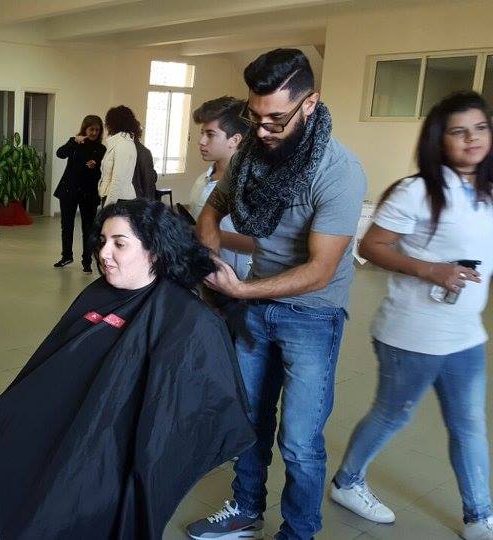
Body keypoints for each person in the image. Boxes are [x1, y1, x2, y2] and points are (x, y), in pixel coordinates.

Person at [0, 199, 254, 539]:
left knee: (63, 498)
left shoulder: (186, 318)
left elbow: (200, 410)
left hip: (110, 447)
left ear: (154, 251)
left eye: (119, 244)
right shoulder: (98, 294)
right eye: (102, 241)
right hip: (68, 421)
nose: (104, 253)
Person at [187, 49, 367, 540]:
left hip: (312, 316)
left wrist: (241, 287)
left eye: (276, 120)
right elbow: (212, 208)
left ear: (310, 104)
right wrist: (212, 261)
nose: (263, 130)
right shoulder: (251, 155)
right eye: (256, 117)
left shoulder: (339, 171)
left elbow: (320, 271)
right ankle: (246, 510)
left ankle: (299, 531)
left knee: (300, 442)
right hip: (256, 307)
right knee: (249, 421)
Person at [329, 91, 493, 540]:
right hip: (411, 334)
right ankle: (347, 483)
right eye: (459, 132)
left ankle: (479, 516)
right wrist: (432, 270)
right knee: (392, 415)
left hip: (466, 334)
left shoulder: (486, 193)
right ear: (440, 140)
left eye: (480, 128)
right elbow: (371, 246)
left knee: (469, 424)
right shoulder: (417, 191)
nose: (472, 139)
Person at [188, 96, 254, 280]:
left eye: (210, 134)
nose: (201, 141)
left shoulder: (249, 186)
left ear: (234, 140)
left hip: (238, 279)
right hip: (203, 273)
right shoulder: (203, 179)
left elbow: (259, 243)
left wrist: (203, 231)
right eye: (202, 133)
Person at [52, 114, 105, 273]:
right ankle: (66, 256)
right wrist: (74, 142)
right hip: (69, 190)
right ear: (85, 129)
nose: (94, 133)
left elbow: (103, 171)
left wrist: (96, 165)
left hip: (89, 192)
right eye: (91, 129)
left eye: (97, 130)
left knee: (88, 227)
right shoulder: (75, 142)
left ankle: (87, 261)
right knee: (66, 225)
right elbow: (60, 154)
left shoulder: (102, 149)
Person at [99, 106, 138, 204]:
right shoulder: (120, 142)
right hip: (116, 197)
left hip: (119, 199)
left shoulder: (123, 144)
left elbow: (117, 180)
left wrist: (108, 206)